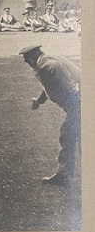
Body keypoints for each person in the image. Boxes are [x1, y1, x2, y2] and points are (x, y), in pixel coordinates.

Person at [19, 45, 81, 186]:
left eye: (26, 58)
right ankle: (63, 174)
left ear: (33, 57)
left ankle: (64, 175)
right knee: (69, 136)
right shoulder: (51, 59)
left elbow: (68, 87)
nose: (25, 62)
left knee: (72, 137)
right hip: (80, 100)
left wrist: (75, 107)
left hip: (79, 102)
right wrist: (39, 100)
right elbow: (48, 86)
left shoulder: (45, 67)